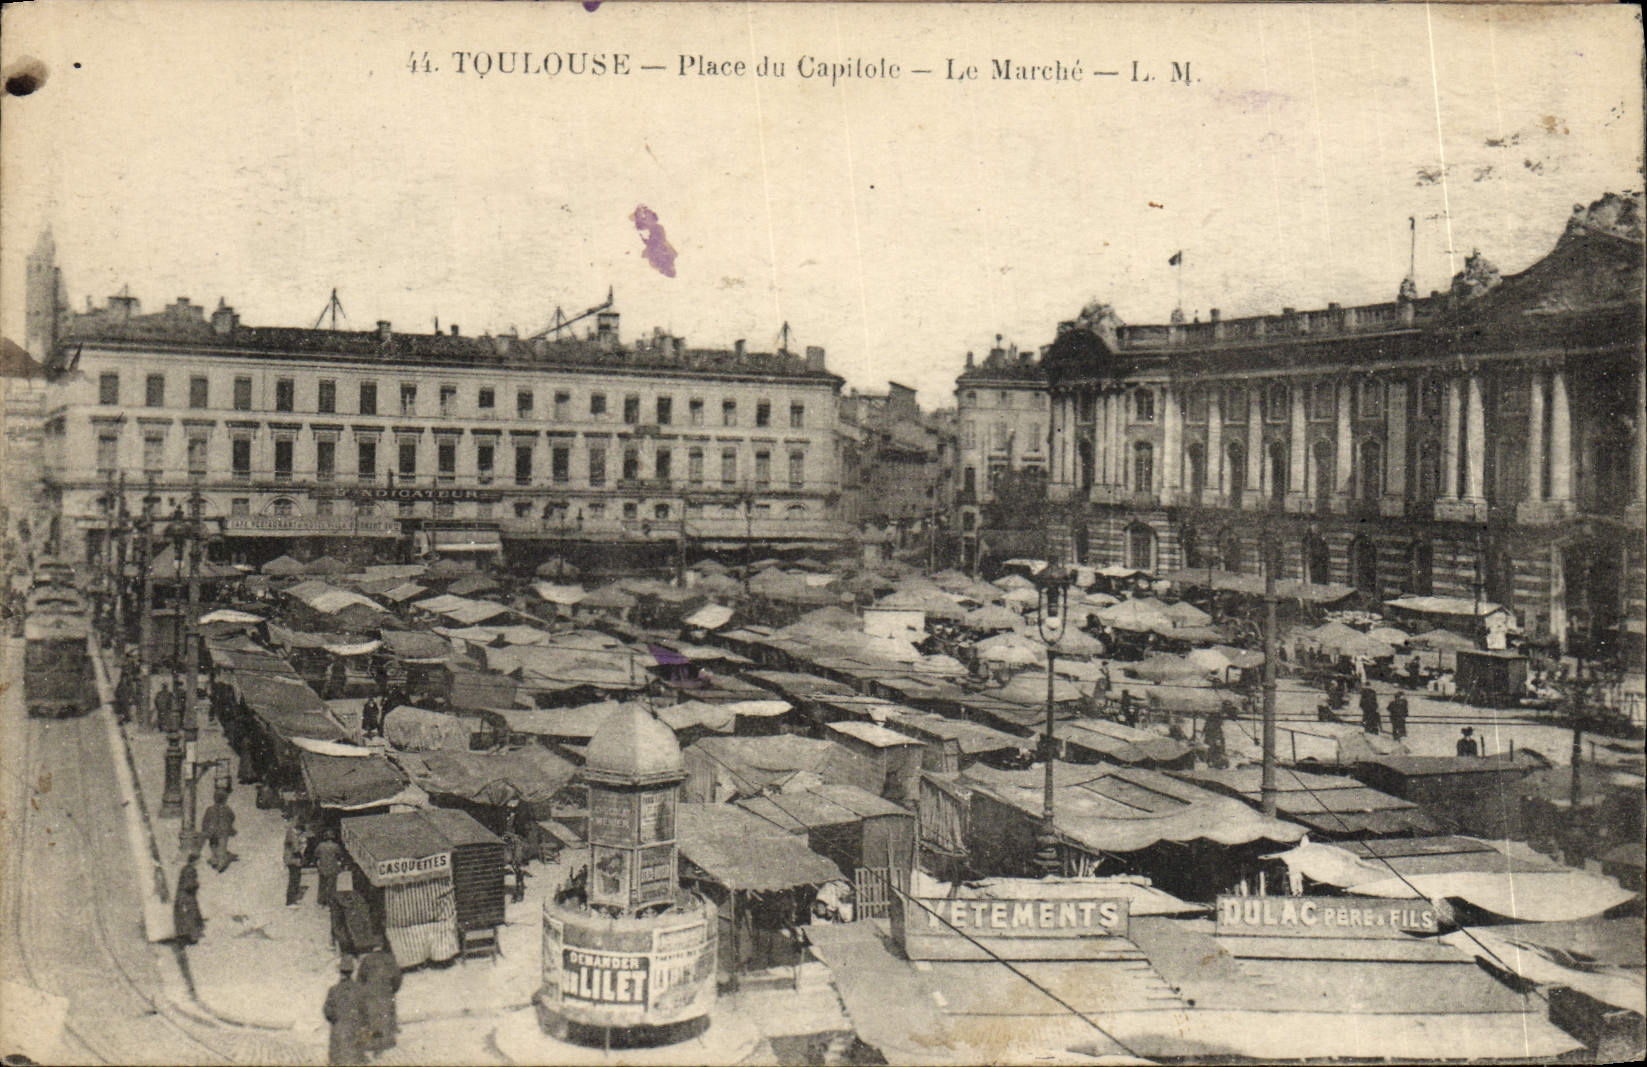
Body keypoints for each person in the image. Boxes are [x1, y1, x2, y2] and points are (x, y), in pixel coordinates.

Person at [357, 942, 402, 1056]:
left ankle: (371, 1044)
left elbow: (360, 979)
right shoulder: (390, 959)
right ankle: (387, 1041)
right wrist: (392, 989)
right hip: (386, 992)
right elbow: (397, 977)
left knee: (371, 1017)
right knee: (386, 1016)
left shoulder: (366, 960)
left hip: (370, 993)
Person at [323, 959, 369, 1067]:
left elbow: (327, 1010)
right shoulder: (360, 989)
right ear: (351, 972)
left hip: (339, 1032)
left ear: (340, 973)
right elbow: (365, 1012)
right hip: (355, 1031)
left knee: (338, 1060)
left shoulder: (334, 990)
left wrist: (335, 1020)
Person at [200, 788, 237, 873]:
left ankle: (214, 860)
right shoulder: (227, 809)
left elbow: (205, 820)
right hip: (223, 831)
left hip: (212, 831)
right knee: (222, 847)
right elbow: (232, 816)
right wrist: (229, 824)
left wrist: (204, 829)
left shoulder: (210, 809)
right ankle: (220, 863)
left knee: (213, 846)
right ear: (225, 799)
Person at [173, 850, 205, 946]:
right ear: (194, 861)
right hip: (187, 897)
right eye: (198, 860)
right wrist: (196, 885)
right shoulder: (190, 870)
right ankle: (192, 938)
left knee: (185, 917)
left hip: (182, 897)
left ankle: (185, 937)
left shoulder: (185, 869)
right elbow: (189, 885)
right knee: (191, 916)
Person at [314, 829, 345, 909]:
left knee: (322, 886)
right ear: (333, 837)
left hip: (322, 868)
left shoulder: (320, 845)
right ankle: (330, 903)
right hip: (332, 869)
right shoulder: (335, 846)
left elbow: (316, 855)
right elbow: (340, 856)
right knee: (332, 887)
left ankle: (320, 902)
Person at [285, 821, 311, 906]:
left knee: (296, 879)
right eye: (301, 832)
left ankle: (294, 899)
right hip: (292, 860)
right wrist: (303, 844)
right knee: (294, 880)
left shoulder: (292, 834)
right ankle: (290, 901)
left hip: (294, 860)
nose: (301, 834)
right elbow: (296, 849)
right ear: (298, 829)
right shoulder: (292, 835)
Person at [501, 829, 529, 904]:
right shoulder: (513, 840)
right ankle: (519, 893)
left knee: (519, 876)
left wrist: (516, 861)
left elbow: (518, 855)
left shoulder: (516, 842)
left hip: (517, 860)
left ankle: (519, 895)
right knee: (518, 876)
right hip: (516, 859)